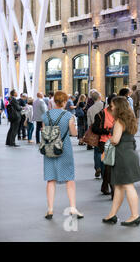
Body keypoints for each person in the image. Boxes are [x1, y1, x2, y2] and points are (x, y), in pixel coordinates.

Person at [102, 97, 140, 226]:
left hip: (122, 155)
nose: (111, 107)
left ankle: (135, 215)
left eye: (113, 105)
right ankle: (112, 214)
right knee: (119, 186)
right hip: (129, 153)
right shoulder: (130, 120)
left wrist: (109, 140)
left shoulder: (119, 121)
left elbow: (115, 140)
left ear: (118, 107)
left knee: (127, 186)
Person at [42, 91, 83, 220]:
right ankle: (72, 208)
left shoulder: (46, 115)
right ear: (64, 101)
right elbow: (74, 133)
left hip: (49, 149)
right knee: (69, 179)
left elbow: (44, 131)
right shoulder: (68, 116)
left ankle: (50, 209)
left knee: (50, 179)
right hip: (64, 149)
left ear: (54, 101)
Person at [92, 93, 117, 196]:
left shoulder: (119, 114)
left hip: (116, 142)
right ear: (110, 103)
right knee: (108, 166)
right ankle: (113, 189)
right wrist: (106, 131)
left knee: (110, 166)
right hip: (104, 142)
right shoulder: (101, 114)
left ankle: (104, 185)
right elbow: (95, 129)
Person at [87, 90, 105, 178]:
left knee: (97, 151)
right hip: (105, 131)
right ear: (100, 97)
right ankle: (103, 169)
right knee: (104, 151)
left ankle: (97, 167)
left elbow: (89, 123)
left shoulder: (90, 109)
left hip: (95, 131)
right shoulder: (105, 105)